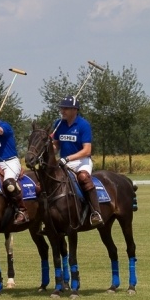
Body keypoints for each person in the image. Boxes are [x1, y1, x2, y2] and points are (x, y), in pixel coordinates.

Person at [51, 95, 103, 226]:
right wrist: (48, 148)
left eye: (66, 108)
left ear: (75, 110)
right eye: (62, 108)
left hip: (81, 161)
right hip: (63, 161)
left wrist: (67, 158)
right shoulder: (58, 124)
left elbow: (87, 150)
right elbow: (56, 145)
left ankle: (95, 212)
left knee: (84, 178)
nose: (63, 111)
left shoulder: (83, 125)